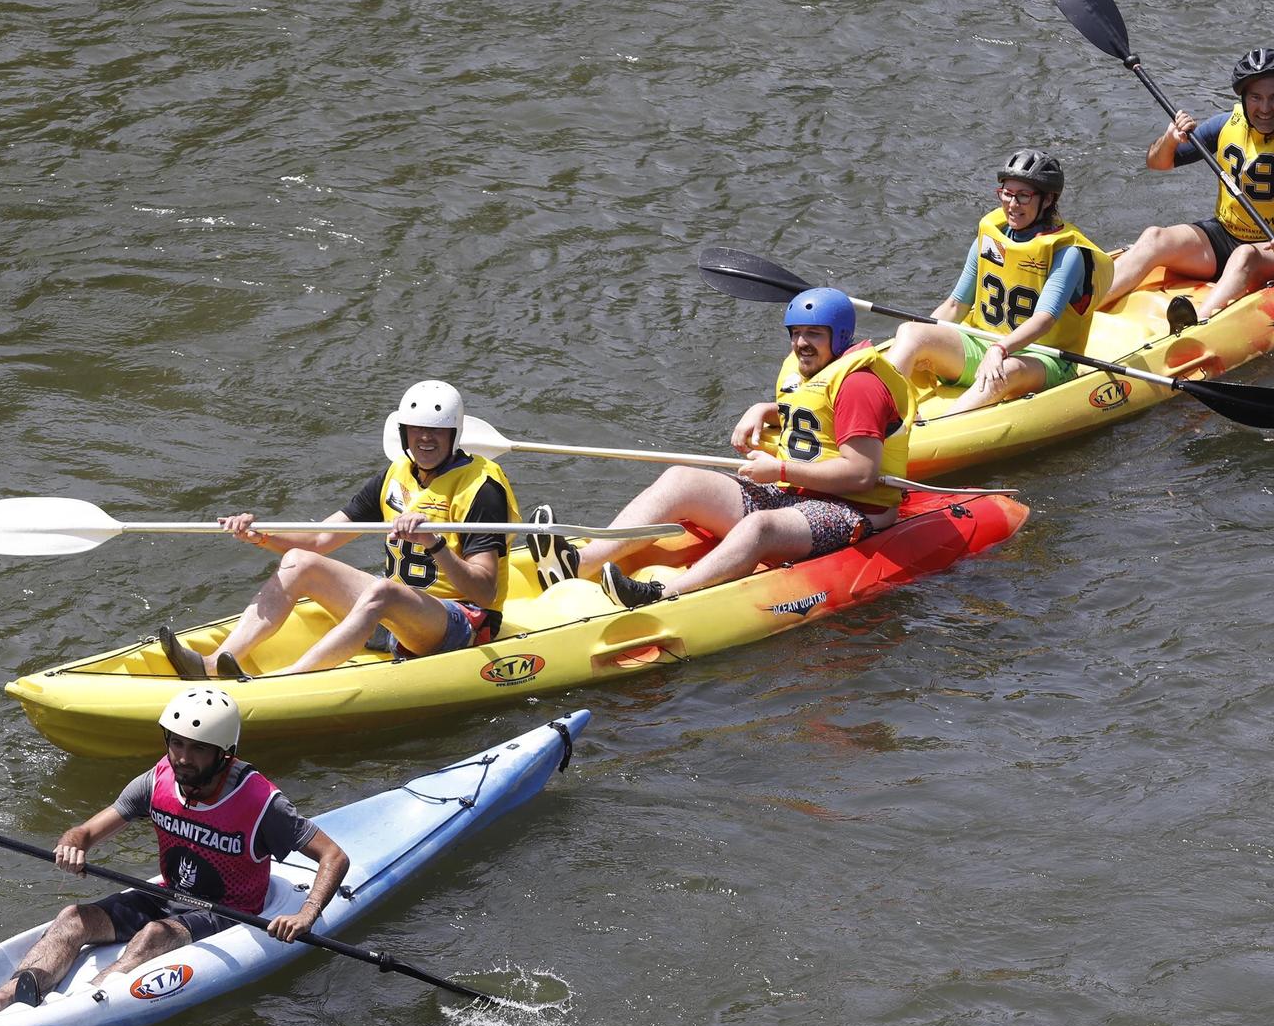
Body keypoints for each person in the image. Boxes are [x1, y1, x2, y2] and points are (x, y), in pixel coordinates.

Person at [0, 686, 348, 1012]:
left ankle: (76, 1005)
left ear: (225, 754)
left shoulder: (260, 803)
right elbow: (87, 831)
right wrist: (73, 846)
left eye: (198, 749)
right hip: (168, 895)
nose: (182, 758)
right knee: (73, 917)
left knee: (154, 934)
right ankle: (4, 996)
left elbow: (333, 856)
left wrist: (306, 914)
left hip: (229, 911)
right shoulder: (157, 780)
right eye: (177, 743)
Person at [577, 288, 915, 607]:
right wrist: (764, 410)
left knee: (759, 527)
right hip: (797, 493)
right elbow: (816, 417)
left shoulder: (859, 386)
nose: (801, 343)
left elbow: (860, 475)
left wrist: (779, 470)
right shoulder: (810, 371)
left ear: (839, 336)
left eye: (813, 333)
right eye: (795, 332)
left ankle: (662, 595)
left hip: (852, 511)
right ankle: (582, 562)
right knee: (681, 479)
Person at [158, 380, 518, 677]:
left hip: (461, 625)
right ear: (404, 433)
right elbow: (320, 539)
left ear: (453, 434)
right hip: (400, 620)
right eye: (416, 429)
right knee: (300, 560)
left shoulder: (481, 488)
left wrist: (434, 543)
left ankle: (287, 680)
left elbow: (485, 592)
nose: (425, 438)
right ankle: (212, 664)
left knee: (384, 592)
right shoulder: (395, 476)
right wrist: (261, 536)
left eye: (436, 431)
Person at [1102, 49, 1274, 324]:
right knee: (1154, 236)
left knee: (1244, 256)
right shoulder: (1225, 125)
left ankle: (1194, 327)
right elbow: (1158, 163)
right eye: (1256, 97)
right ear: (1243, 97)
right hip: (1226, 234)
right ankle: (1086, 306)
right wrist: (1170, 139)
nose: (1265, 108)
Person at [884, 149, 1115, 418]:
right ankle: (883, 408)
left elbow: (1044, 319)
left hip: (1045, 359)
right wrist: (924, 338)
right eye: (1007, 192)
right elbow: (956, 304)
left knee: (1004, 371)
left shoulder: (1067, 252)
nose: (1012, 204)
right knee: (912, 332)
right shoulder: (990, 235)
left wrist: (1000, 349)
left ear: (1048, 199)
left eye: (1024, 196)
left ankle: (935, 430)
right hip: (983, 343)